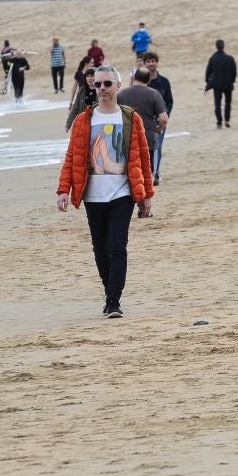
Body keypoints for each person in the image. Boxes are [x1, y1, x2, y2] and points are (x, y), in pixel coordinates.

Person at [57, 64, 154, 319]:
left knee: (117, 246)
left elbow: (143, 158)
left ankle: (113, 301)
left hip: (122, 194)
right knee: (100, 249)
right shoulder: (84, 120)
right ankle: (109, 290)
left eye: (107, 84)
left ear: (118, 86)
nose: (102, 89)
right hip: (92, 196)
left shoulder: (130, 118)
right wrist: (63, 189)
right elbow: (72, 157)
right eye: (98, 84)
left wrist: (146, 195)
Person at [117, 68, 168, 186]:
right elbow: (164, 118)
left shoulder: (122, 94)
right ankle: (145, 199)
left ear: (134, 78)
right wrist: (158, 129)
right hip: (148, 137)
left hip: (127, 137)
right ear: (149, 80)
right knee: (148, 174)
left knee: (129, 173)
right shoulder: (154, 94)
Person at [204, 39, 237, 129]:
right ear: (223, 46)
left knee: (217, 104)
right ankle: (227, 120)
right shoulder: (230, 58)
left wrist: (207, 82)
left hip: (217, 85)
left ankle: (219, 122)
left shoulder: (213, 58)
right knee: (228, 102)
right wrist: (232, 81)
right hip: (228, 84)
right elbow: (234, 71)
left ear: (216, 46)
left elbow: (208, 71)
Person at [66, 58, 96, 131]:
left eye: (92, 76)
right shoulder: (82, 89)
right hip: (83, 123)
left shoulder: (100, 90)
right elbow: (76, 107)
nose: (89, 78)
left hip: (96, 124)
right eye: (87, 76)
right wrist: (68, 124)